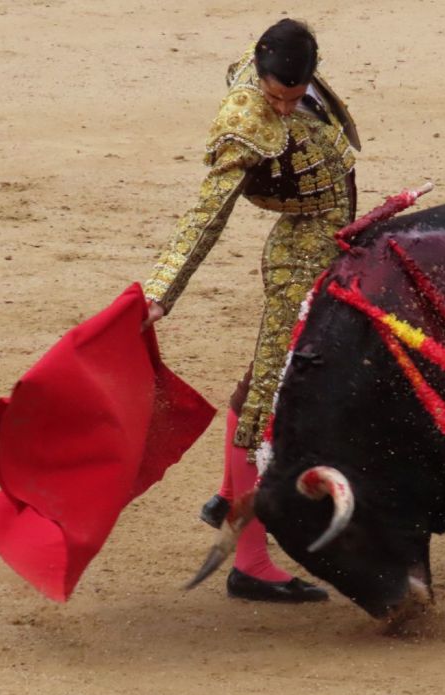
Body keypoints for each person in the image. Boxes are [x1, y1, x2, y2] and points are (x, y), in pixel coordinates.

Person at [142, 19, 360, 603]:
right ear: (260, 74)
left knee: (277, 381)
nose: (283, 108)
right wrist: (162, 290)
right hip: (302, 252)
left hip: (333, 235)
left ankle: (225, 496)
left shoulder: (284, 57)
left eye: (294, 96)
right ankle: (250, 564)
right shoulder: (246, 119)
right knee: (268, 396)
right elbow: (207, 212)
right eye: (275, 96)